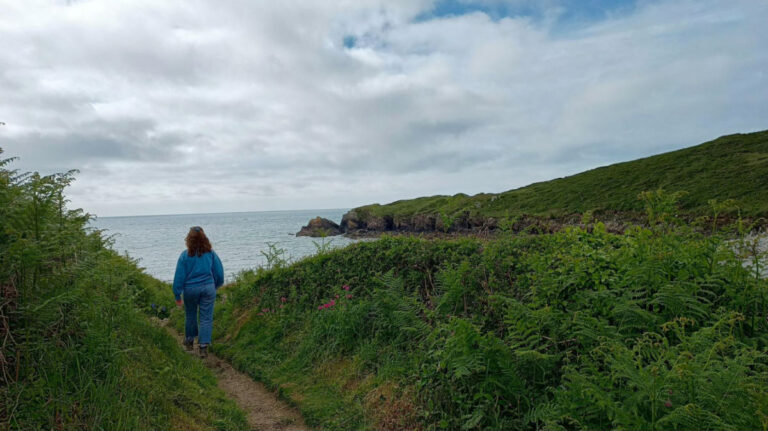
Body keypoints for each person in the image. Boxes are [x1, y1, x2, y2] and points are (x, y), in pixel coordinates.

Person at [172, 226, 224, 357]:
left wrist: (177, 294)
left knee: (190, 315)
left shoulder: (184, 256)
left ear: (189, 239)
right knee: (206, 317)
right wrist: (215, 286)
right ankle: (203, 347)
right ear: (204, 238)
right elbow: (219, 273)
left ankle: (189, 342)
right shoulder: (211, 254)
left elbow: (179, 277)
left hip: (190, 289)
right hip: (208, 287)